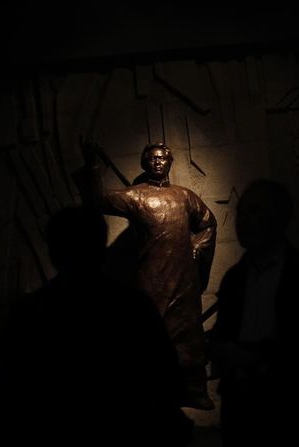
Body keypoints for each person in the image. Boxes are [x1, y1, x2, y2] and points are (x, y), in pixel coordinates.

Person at [0, 205, 194, 447]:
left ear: (53, 251)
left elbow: (8, 397)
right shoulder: (133, 309)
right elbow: (167, 381)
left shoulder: (29, 314)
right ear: (101, 249)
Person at [78, 138, 217, 410]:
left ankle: (195, 388)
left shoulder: (185, 195)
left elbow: (208, 224)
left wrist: (197, 246)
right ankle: (151, 390)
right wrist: (92, 165)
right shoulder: (136, 195)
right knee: (152, 331)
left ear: (169, 163)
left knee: (189, 330)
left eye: (162, 158)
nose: (157, 162)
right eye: (152, 158)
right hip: (152, 276)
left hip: (184, 276)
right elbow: (98, 200)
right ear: (145, 162)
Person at [208, 179, 299, 447]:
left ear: (280, 218)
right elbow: (225, 330)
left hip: (288, 405)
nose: (244, 221)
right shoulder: (233, 279)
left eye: (255, 212)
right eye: (241, 213)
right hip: (241, 409)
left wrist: (257, 356)